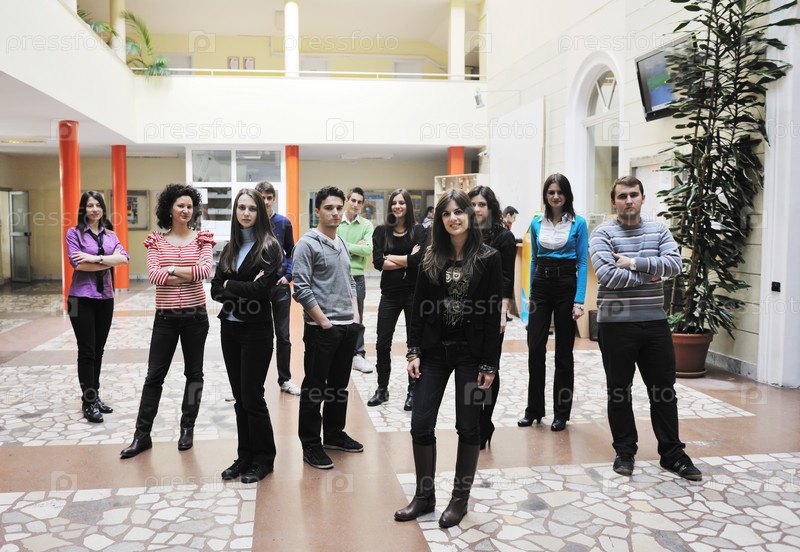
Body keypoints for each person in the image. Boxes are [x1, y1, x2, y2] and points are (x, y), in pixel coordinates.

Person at [394, 189, 502, 529]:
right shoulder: (430, 257)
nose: (453, 218)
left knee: (469, 426)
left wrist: (490, 364)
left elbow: (492, 314)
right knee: (420, 423)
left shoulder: (488, 258)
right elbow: (417, 308)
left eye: (458, 212)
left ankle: (459, 500)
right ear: (439, 220)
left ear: (469, 215)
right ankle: (424, 497)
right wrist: (413, 350)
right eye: (446, 213)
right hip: (434, 352)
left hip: (472, 354)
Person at [590, 175, 702, 481]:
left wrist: (632, 263)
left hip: (654, 323)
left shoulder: (659, 229)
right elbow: (608, 276)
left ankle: (673, 454)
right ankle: (625, 451)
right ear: (613, 201)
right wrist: (652, 272)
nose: (628, 200)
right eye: (622, 196)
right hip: (615, 326)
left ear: (642, 197)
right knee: (619, 391)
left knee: (663, 391)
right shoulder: (602, 234)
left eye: (633, 194)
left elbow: (675, 265)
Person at [121, 184, 214, 459]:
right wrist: (185, 274)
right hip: (165, 318)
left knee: (194, 374)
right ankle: (142, 436)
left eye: (189, 206)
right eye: (180, 205)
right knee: (154, 376)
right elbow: (154, 276)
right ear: (169, 209)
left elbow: (205, 271)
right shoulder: (156, 241)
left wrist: (171, 268)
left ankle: (187, 429)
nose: (186, 210)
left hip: (196, 317)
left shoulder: (203, 239)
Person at [211, 188, 282, 483]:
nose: (246, 213)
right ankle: (245, 456)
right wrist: (238, 286)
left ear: (260, 212)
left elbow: (262, 291)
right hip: (230, 329)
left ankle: (264, 459)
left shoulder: (270, 247)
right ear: (235, 211)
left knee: (252, 397)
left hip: (256, 331)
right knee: (240, 398)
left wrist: (230, 284)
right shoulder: (230, 247)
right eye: (241, 207)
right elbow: (215, 290)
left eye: (252, 208)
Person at [292, 186, 364, 470]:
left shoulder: (341, 241)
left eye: (338, 208)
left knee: (338, 387)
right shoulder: (307, 244)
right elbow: (301, 288)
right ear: (318, 211)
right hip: (322, 329)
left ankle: (334, 434)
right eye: (329, 208)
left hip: (347, 327)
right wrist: (324, 322)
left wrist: (355, 316)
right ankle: (311, 445)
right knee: (315, 389)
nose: (335, 213)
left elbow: (350, 280)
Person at [519, 174, 588, 432]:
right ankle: (534, 409)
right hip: (540, 285)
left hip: (566, 285)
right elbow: (534, 260)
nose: (556, 196)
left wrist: (579, 300)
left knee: (563, 352)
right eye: (551, 192)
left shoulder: (579, 223)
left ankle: (561, 413)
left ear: (567, 195)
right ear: (546, 195)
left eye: (560, 192)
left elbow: (582, 262)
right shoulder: (536, 223)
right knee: (535, 348)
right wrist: (530, 295)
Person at [66, 191, 129, 423]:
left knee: (99, 350)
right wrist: (107, 260)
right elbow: (78, 264)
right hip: (79, 299)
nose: (94, 209)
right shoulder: (73, 233)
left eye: (98, 205)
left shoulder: (110, 234)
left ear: (103, 208)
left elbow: (124, 258)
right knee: (87, 351)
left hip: (105, 298)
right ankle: (88, 402)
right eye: (90, 205)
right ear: (83, 209)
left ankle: (95, 396)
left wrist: (95, 258)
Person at [368, 188, 427, 410]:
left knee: (414, 343)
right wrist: (408, 257)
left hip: (414, 293)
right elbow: (378, 263)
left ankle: (413, 391)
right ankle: (382, 389)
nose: (398, 206)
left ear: (408, 206)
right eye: (394, 202)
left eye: (402, 202)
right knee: (382, 343)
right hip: (390, 294)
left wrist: (391, 256)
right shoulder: (381, 232)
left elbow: (420, 261)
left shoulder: (419, 231)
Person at [468, 186, 516, 449]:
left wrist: (502, 312)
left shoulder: (503, 237)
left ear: (491, 208)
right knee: (471, 367)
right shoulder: (464, 232)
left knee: (489, 366)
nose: (477, 209)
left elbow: (507, 277)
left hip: (492, 309)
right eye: (473, 204)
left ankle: (485, 421)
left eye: (482, 204)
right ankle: (474, 421)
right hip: (467, 310)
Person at [254, 181, 301, 396]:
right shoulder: (251, 222)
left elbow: (291, 252)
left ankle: (285, 379)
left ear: (273, 199)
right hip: (258, 288)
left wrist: (288, 276)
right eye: (261, 197)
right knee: (259, 336)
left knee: (283, 336)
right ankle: (254, 382)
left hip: (280, 287)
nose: (265, 201)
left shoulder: (283, 223)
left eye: (269, 197)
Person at [336, 186, 374, 374]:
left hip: (357, 277)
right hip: (337, 275)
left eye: (359, 202)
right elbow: (333, 246)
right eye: (353, 200)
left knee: (357, 317)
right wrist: (355, 247)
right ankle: (340, 353)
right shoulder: (337, 222)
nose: (356, 204)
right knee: (337, 316)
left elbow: (368, 250)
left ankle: (358, 355)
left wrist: (345, 245)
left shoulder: (366, 225)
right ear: (347, 201)